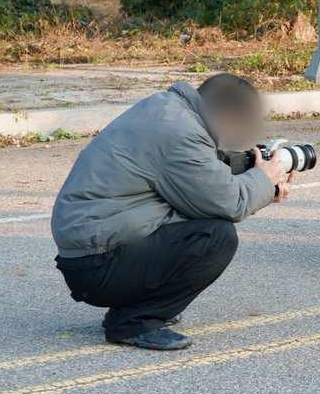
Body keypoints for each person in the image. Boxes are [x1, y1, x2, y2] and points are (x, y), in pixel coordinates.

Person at [51, 73, 291, 350]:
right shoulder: (183, 134)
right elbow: (230, 203)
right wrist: (264, 178)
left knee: (202, 218)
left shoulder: (166, 109)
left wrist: (260, 186)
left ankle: (146, 303)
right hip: (97, 265)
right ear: (226, 113)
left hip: (90, 252)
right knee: (217, 236)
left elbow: (199, 191)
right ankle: (133, 321)